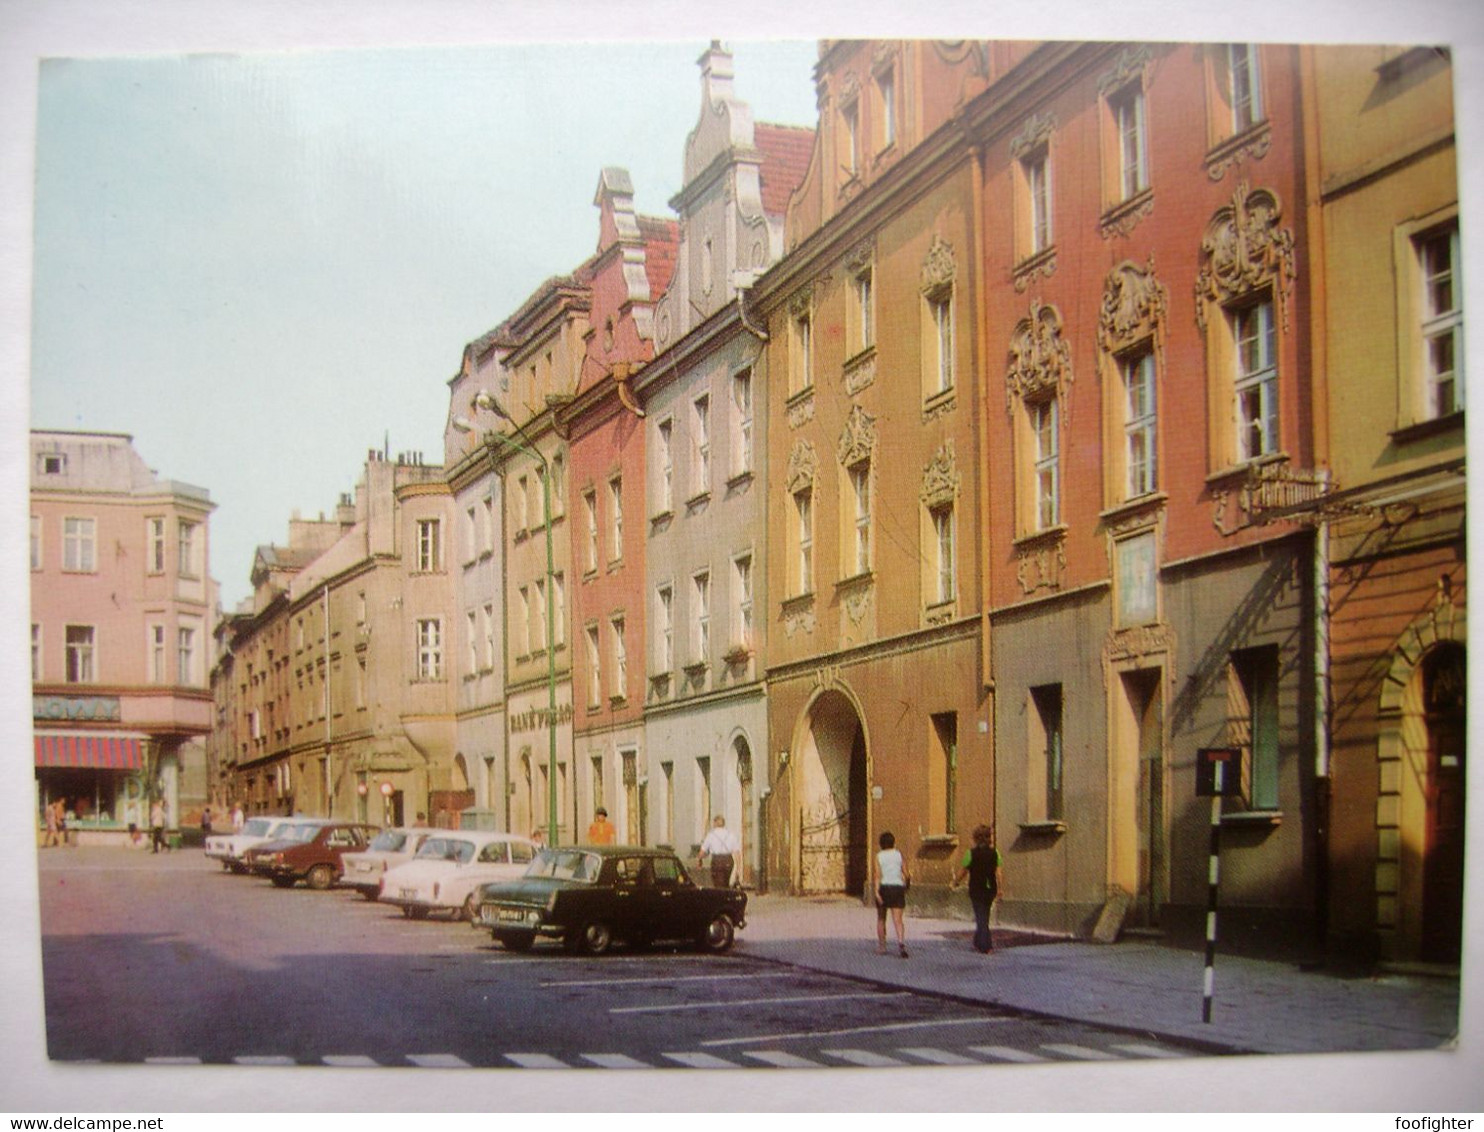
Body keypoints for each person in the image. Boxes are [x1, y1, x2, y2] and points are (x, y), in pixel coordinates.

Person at [951, 823, 1003, 954]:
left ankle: (986, 946)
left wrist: (955, 882)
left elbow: (963, 871)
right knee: (984, 915)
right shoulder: (995, 853)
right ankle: (977, 941)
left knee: (981, 917)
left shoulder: (971, 853)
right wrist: (1000, 889)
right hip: (991, 888)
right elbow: (998, 872)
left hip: (976, 888)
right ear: (989, 837)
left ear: (976, 838)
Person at [873, 830, 911, 958]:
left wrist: (876, 892)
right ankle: (901, 943)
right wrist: (907, 885)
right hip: (897, 888)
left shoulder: (879, 856)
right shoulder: (899, 855)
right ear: (893, 843)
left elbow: (877, 875)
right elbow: (906, 874)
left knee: (881, 918)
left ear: (881, 844)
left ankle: (882, 946)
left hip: (884, 888)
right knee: (898, 920)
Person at [697, 815, 741, 888]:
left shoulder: (711, 835)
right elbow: (737, 852)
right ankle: (726, 895)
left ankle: (721, 897)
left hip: (717, 861)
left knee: (718, 884)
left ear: (715, 824)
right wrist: (738, 868)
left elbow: (702, 851)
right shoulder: (731, 835)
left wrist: (699, 860)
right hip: (728, 860)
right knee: (726, 882)